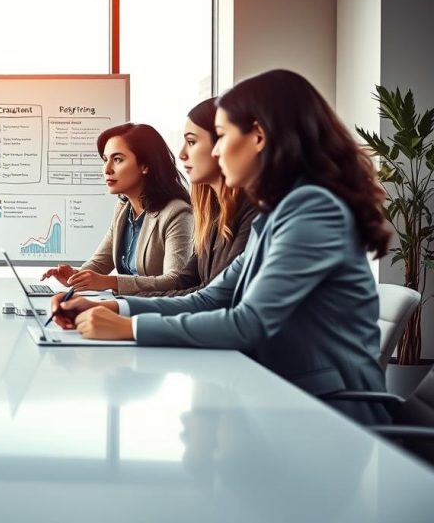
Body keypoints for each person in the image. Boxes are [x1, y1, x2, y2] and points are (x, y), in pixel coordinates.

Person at [51, 69, 392, 421]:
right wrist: (118, 310)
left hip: (332, 413)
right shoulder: (278, 213)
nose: (215, 150)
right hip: (285, 397)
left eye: (223, 135)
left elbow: (249, 323)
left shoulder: (312, 210)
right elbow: (211, 297)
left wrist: (130, 329)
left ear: (258, 136)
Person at [41, 123, 193, 294]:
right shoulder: (123, 208)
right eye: (105, 160)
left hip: (154, 313)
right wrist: (73, 276)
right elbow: (100, 264)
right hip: (124, 307)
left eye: (118, 159)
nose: (107, 169)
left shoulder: (177, 213)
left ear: (145, 165)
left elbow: (175, 280)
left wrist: (111, 282)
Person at [139, 98, 257, 297]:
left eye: (192, 142)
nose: (182, 154)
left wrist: (119, 305)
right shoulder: (213, 216)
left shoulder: (253, 213)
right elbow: (185, 281)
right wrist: (117, 302)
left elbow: (212, 297)